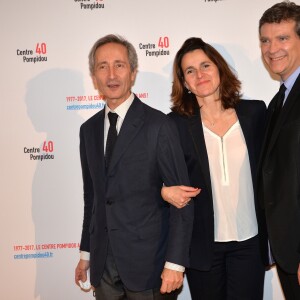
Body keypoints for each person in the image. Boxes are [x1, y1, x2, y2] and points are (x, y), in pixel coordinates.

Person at [74, 34, 195, 300]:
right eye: (102, 66)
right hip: (103, 266)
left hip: (149, 265)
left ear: (133, 72)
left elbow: (183, 200)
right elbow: (92, 198)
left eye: (119, 64)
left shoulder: (159, 125)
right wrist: (86, 253)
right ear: (94, 76)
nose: (112, 74)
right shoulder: (88, 130)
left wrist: (175, 263)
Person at [161, 37, 268, 299]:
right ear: (184, 83)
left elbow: (274, 174)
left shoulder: (255, 113)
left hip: (249, 243)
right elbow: (151, 176)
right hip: (202, 246)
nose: (200, 75)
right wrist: (163, 192)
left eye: (205, 65)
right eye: (190, 71)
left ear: (219, 68)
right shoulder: (174, 125)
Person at [258, 2, 300, 299]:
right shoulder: (276, 103)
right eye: (265, 40)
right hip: (287, 250)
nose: (272, 49)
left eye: (282, 38)